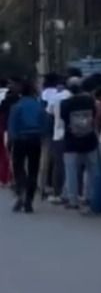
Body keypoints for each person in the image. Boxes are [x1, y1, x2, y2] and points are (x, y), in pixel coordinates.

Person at [58, 77, 99, 210]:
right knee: (92, 170)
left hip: (71, 141)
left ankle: (73, 199)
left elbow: (64, 119)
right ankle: (91, 197)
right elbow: (95, 115)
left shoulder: (65, 103)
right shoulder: (90, 101)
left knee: (71, 172)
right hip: (90, 140)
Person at [8, 81, 44, 213]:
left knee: (18, 167)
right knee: (33, 169)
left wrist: (12, 140)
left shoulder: (17, 106)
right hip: (35, 139)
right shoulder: (38, 106)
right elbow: (44, 123)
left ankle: (21, 190)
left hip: (20, 139)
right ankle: (29, 199)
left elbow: (12, 126)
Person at [39, 72, 69, 202]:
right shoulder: (63, 93)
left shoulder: (46, 94)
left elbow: (45, 113)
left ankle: (43, 186)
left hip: (49, 129)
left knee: (46, 158)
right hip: (63, 130)